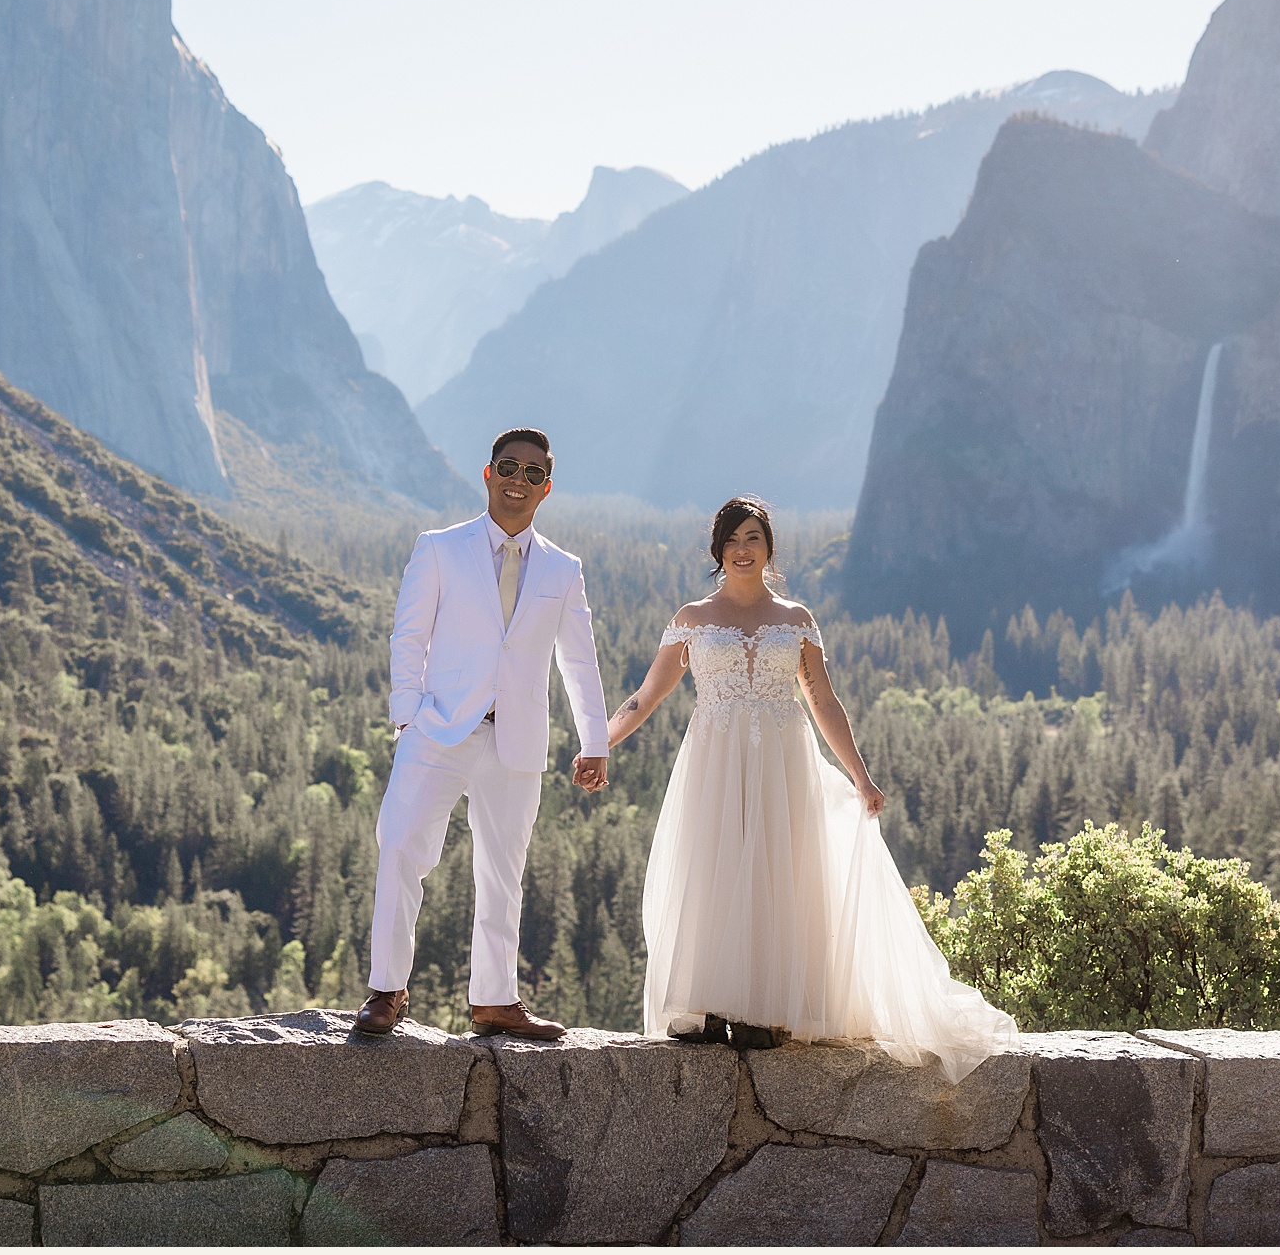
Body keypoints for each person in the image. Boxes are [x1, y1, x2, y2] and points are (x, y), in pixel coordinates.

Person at [605, 496, 1016, 1078]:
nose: (741, 550)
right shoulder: (693, 619)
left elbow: (823, 701)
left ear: (769, 549)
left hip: (782, 764)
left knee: (777, 872)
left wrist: (861, 776)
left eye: (752, 538)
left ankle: (764, 1009)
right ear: (717, 551)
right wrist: (600, 743)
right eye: (731, 540)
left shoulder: (796, 620)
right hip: (713, 766)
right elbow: (646, 695)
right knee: (714, 869)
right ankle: (705, 1006)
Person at [354, 427, 613, 1039]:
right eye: (508, 467)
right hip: (437, 730)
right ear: (488, 473)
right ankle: (387, 991)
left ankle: (495, 1002)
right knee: (399, 847)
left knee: (504, 870)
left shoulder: (562, 568)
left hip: (515, 740)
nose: (518, 480)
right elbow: (408, 635)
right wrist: (407, 715)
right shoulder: (440, 548)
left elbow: (579, 660)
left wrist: (594, 740)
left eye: (531, 473)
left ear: (545, 488)